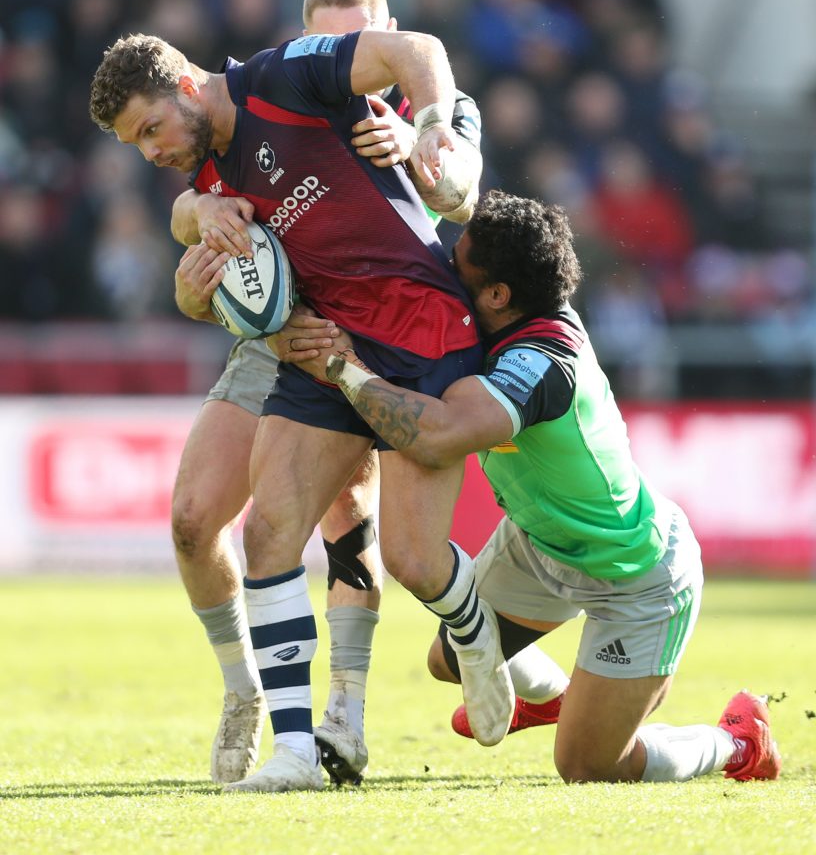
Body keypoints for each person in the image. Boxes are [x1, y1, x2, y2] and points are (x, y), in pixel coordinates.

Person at [88, 17, 510, 794]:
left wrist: (432, 127)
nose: (149, 151)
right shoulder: (207, 180)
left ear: (187, 85)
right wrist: (194, 233)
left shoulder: (282, 80)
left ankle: (473, 630)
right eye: (133, 145)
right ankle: (293, 752)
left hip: (420, 330)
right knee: (269, 533)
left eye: (150, 128)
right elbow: (190, 229)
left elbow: (415, 49)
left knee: (414, 561)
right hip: (320, 350)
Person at [291, 190, 781, 785]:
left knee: (590, 768)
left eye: (459, 265)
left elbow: (439, 437)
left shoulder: (543, 360)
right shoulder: (497, 322)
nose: (444, 268)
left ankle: (736, 743)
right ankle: (551, 698)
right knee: (450, 661)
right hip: (539, 544)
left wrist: (342, 366)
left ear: (498, 295)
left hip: (636, 576)